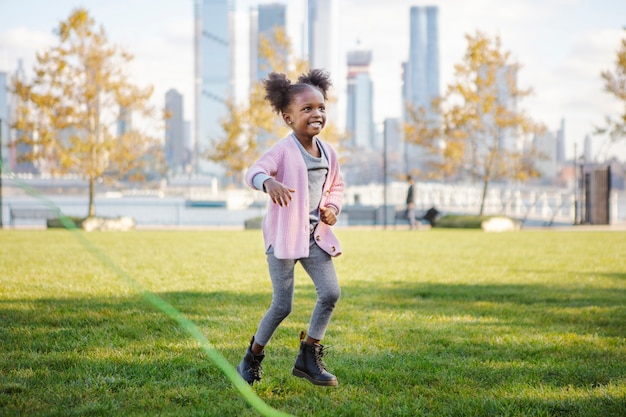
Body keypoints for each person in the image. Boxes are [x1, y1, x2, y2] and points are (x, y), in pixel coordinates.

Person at [236, 69, 344, 387]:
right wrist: (268, 182)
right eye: (307, 109)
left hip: (314, 238)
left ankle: (308, 356)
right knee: (282, 305)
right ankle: (252, 357)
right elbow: (253, 171)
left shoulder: (329, 153)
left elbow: (336, 187)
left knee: (330, 293)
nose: (317, 113)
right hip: (283, 239)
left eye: (321, 107)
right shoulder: (283, 150)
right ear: (288, 117)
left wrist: (332, 209)